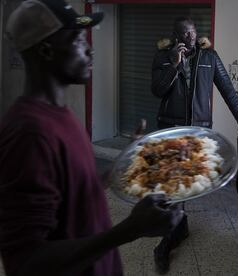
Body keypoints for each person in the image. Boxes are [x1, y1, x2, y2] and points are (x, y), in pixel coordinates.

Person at [0, 1, 183, 275]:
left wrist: (124, 161)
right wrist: (130, 229)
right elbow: (28, 262)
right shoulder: (29, 134)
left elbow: (76, 189)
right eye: (76, 40)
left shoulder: (62, 115)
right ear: (47, 50)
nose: (89, 48)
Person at [150, 17, 238, 273]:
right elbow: (157, 90)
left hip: (197, 133)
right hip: (169, 131)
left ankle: (179, 228)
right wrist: (174, 64)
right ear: (176, 36)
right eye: (184, 33)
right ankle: (165, 244)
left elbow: (228, 90)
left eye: (193, 32)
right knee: (175, 185)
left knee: (183, 185)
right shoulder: (163, 57)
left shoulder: (209, 57)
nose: (190, 38)